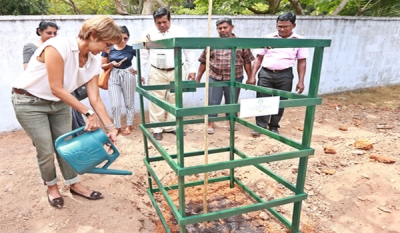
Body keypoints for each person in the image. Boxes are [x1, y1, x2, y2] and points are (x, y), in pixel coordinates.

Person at [11, 16, 122, 209]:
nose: (107, 50)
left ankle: (74, 184)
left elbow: (95, 98)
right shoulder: (57, 46)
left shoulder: (93, 63)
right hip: (29, 102)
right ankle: (52, 187)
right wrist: (87, 113)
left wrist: (110, 126)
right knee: (46, 150)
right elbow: (56, 87)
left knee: (67, 145)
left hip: (60, 104)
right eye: (106, 44)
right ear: (93, 35)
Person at [247, 12, 309, 136]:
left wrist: (301, 81)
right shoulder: (268, 38)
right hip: (266, 73)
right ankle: (260, 126)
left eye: (285, 26)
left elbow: (302, 61)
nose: (281, 29)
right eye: (279, 26)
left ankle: (274, 126)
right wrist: (253, 75)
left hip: (285, 74)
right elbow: (258, 58)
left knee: (281, 101)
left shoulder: (299, 41)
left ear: (293, 25)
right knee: (262, 100)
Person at [140, 7, 196, 141]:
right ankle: (157, 128)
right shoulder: (148, 34)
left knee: (176, 99)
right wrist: (141, 73)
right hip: (157, 71)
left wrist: (192, 69)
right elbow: (143, 55)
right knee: (156, 100)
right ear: (154, 22)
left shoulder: (180, 31)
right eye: (158, 23)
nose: (162, 25)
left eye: (164, 22)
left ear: (170, 19)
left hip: (177, 70)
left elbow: (188, 50)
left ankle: (171, 126)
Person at [195, 17, 254, 134]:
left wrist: (250, 77)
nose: (222, 30)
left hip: (235, 77)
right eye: (219, 28)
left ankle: (231, 121)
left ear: (232, 27)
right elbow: (203, 61)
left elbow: (247, 61)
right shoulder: (212, 43)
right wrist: (198, 77)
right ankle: (211, 122)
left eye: (225, 27)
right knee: (213, 101)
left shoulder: (241, 43)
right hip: (215, 77)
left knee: (232, 101)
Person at [101, 26, 137, 136]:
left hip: (128, 74)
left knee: (129, 102)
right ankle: (117, 126)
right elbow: (103, 65)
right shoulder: (108, 49)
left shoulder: (131, 49)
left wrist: (137, 70)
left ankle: (129, 125)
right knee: (115, 104)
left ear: (128, 38)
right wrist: (111, 63)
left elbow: (143, 59)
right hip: (113, 75)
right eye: (119, 38)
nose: (122, 41)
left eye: (125, 38)